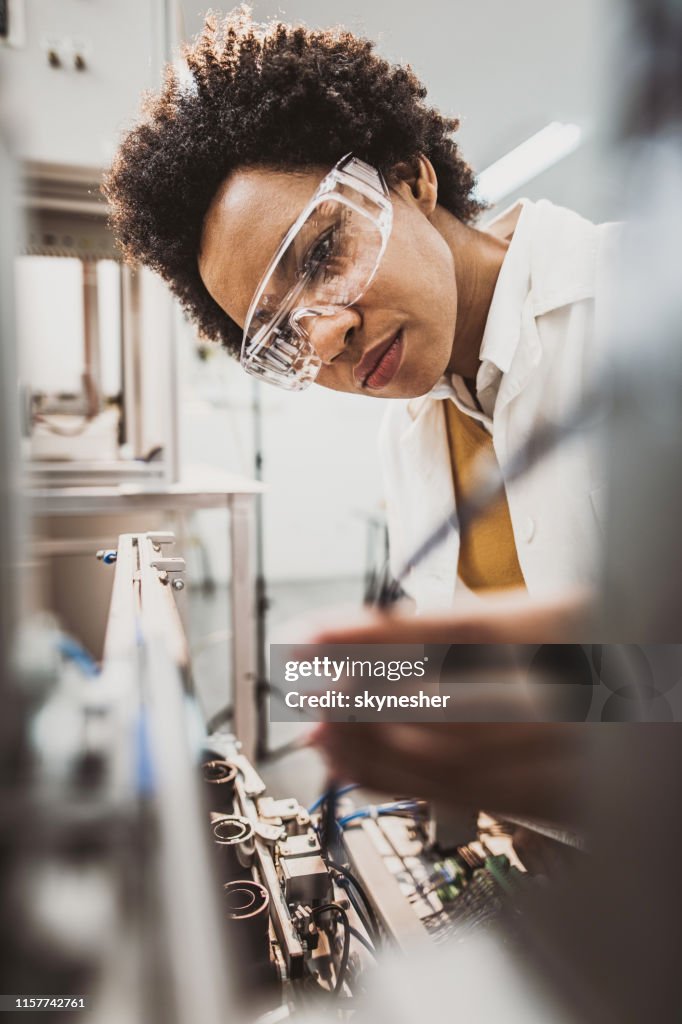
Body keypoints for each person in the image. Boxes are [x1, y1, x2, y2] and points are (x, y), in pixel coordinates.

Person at [104, 9, 614, 822]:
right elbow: (473, 682)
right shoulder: (408, 433)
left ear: (411, 180)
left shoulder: (646, 304)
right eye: (283, 335)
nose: (330, 331)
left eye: (320, 254)